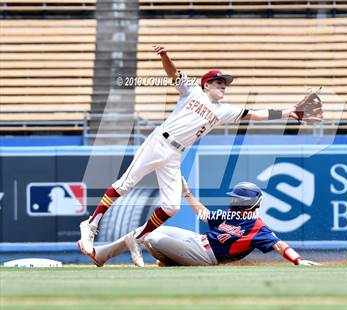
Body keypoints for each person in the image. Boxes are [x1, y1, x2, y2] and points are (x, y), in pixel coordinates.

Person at [78, 44, 322, 261]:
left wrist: (289, 111)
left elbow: (254, 113)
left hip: (175, 155)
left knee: (172, 207)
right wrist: (166, 56)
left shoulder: (223, 111)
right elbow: (173, 74)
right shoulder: (192, 92)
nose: (223, 86)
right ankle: (90, 224)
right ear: (206, 84)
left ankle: (139, 237)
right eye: (219, 82)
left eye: (225, 83)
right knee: (125, 184)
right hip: (159, 142)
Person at [87, 178, 319, 267]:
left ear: (252, 202)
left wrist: (297, 260)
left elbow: (279, 245)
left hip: (206, 257)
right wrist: (187, 194)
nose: (235, 201)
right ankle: (102, 254)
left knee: (153, 238)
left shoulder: (258, 227)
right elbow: (204, 215)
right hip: (196, 241)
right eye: (235, 198)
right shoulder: (233, 215)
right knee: (147, 229)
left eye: (239, 199)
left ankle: (170, 262)